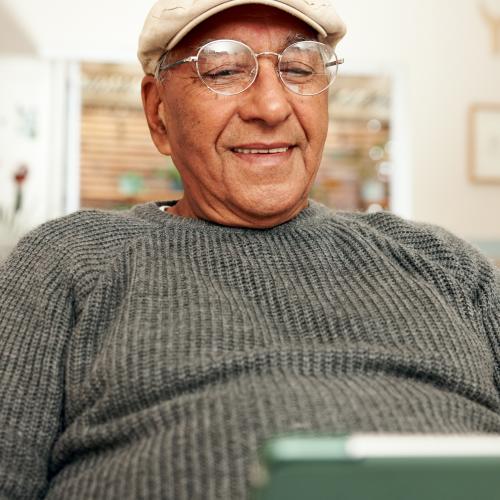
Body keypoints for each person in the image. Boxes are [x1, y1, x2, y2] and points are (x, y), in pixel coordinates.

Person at [0, 0, 499, 498]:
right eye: (222, 69)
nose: (271, 107)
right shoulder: (68, 260)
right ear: (157, 114)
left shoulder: (446, 265)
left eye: (300, 68)